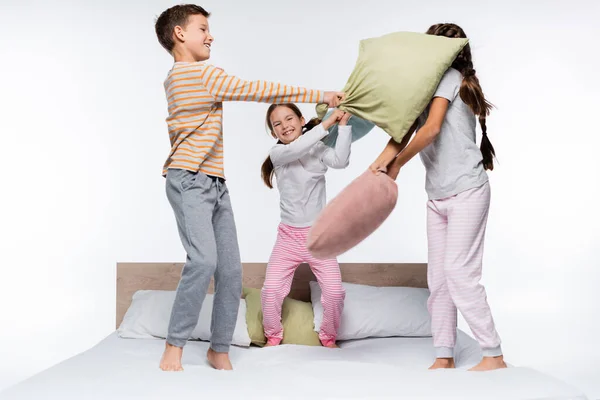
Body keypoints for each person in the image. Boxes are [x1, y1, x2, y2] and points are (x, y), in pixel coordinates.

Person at [154, 4, 344, 371]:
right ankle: (174, 345)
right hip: (189, 178)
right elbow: (258, 89)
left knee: (231, 272)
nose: (211, 36)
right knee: (204, 260)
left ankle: (218, 348)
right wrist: (321, 93)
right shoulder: (193, 75)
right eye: (203, 29)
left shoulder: (193, 76)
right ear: (180, 34)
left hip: (214, 182)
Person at [370, 23, 506, 371]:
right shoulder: (425, 85)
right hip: (438, 196)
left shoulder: (449, 77)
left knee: (460, 274)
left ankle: (493, 354)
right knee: (439, 280)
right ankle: (443, 354)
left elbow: (429, 131)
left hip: (467, 190)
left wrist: (397, 166)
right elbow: (403, 131)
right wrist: (380, 165)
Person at [260, 104, 352, 348]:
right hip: (288, 237)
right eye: (277, 124)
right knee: (270, 291)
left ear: (302, 120)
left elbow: (341, 161)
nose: (285, 126)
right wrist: (327, 123)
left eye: (289, 119)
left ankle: (328, 336)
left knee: (334, 293)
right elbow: (297, 147)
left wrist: (342, 126)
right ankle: (273, 335)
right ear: (274, 133)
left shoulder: (318, 148)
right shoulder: (278, 154)